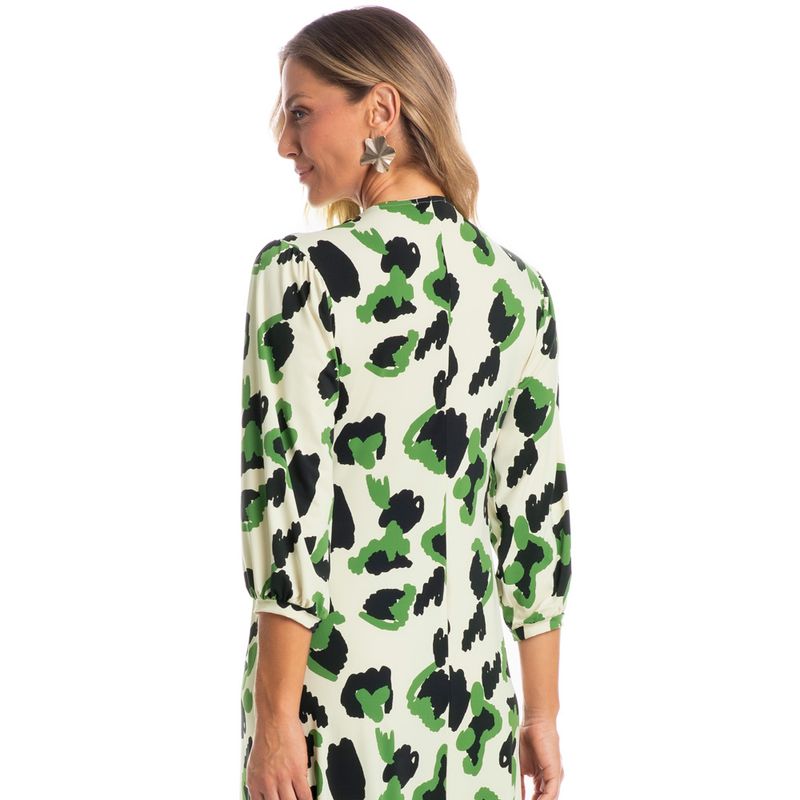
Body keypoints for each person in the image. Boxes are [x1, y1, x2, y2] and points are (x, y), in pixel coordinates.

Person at [239, 8, 572, 800]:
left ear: (381, 111)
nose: (284, 142)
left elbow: (290, 503)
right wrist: (541, 714)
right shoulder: (519, 290)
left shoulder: (300, 275)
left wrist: (276, 718)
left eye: (301, 112)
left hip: (338, 708)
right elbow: (534, 517)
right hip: (476, 710)